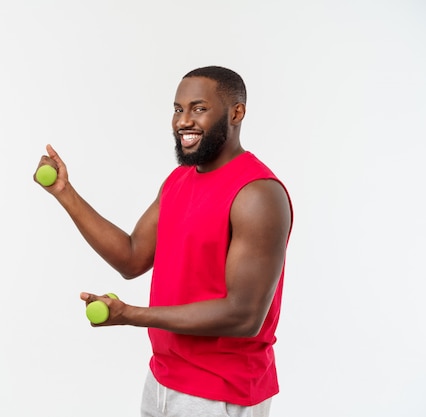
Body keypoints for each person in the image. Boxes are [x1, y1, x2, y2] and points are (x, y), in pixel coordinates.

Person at [34, 66, 293, 417]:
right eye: (177, 109)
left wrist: (132, 315)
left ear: (236, 112)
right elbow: (132, 257)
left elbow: (243, 315)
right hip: (163, 379)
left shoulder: (258, 194)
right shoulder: (179, 180)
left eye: (199, 108)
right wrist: (64, 193)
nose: (183, 121)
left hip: (221, 393)